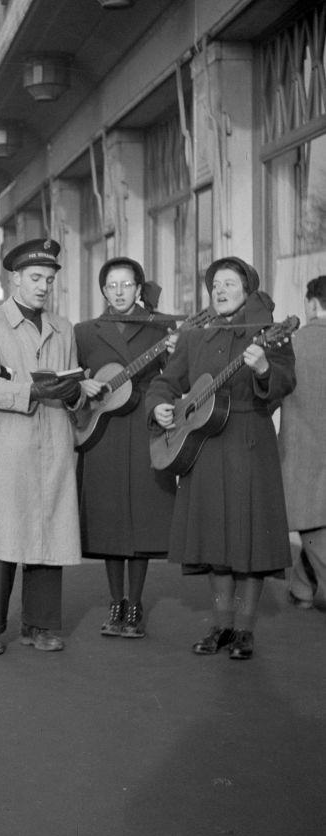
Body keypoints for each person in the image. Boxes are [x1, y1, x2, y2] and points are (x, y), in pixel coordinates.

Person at [146, 257, 295, 660]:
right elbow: (165, 382)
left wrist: (264, 369)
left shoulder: (269, 334)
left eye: (230, 283)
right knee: (214, 539)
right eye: (216, 285)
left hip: (250, 441)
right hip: (204, 447)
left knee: (249, 541)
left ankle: (244, 630)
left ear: (246, 290)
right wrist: (159, 406)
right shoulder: (195, 338)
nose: (221, 290)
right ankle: (221, 625)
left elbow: (285, 382)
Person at [0, 238, 101, 655]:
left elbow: (71, 389)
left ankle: (40, 626)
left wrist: (77, 392)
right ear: (14, 278)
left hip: (53, 444)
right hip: (6, 450)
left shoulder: (63, 328)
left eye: (50, 279)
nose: (44, 286)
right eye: (36, 278)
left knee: (47, 535)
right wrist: (36, 391)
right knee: (1, 539)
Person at [74, 258, 175, 639]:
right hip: (102, 431)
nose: (119, 291)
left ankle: (135, 602)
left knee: (143, 517)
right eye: (111, 285)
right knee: (109, 519)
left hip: (144, 427)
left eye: (126, 284)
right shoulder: (84, 333)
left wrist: (177, 350)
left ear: (138, 288)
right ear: (103, 291)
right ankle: (115, 601)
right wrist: (84, 391)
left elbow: (174, 375)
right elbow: (72, 380)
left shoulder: (160, 327)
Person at [278, 275, 326, 609]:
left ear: (311, 304)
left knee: (313, 526)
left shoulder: (291, 346)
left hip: (302, 454)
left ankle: (303, 587)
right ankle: (301, 587)